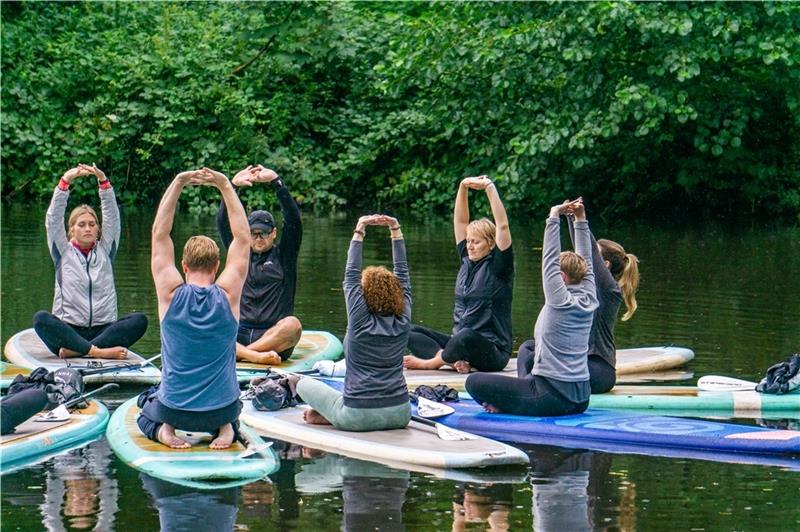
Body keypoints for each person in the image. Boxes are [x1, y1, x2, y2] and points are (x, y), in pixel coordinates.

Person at [137, 168, 249, 450]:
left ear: (183, 266)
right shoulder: (228, 294)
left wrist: (178, 182)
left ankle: (164, 432)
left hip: (175, 411)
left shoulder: (170, 294)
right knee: (228, 407)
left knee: (144, 409)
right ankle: (226, 429)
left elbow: (160, 233)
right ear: (216, 267)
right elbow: (243, 238)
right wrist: (224, 184)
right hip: (222, 409)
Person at [464, 198, 598, 416]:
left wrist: (553, 217)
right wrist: (580, 219)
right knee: (527, 348)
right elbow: (587, 260)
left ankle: (507, 405)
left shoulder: (559, 300)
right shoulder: (589, 296)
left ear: (561, 278)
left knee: (473, 382)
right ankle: (519, 396)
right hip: (581, 397)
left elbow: (549, 259)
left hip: (551, 398)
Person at [297, 214, 411, 431]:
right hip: (401, 413)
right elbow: (403, 274)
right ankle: (327, 414)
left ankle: (329, 415)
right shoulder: (403, 320)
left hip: (357, 416)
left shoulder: (360, 321)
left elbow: (350, 274)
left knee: (302, 383)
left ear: (364, 295)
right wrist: (395, 229)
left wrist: (359, 229)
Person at [32, 164, 148, 359]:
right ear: (72, 230)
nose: (87, 228)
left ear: (98, 229)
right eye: (82, 224)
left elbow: (113, 218)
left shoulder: (105, 250)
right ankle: (96, 351)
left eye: (92, 224)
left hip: (104, 331)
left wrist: (104, 183)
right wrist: (64, 182)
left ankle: (81, 351)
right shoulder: (62, 252)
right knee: (41, 319)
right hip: (68, 333)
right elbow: (53, 219)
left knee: (140, 320)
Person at [518, 214, 639, 394]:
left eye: (595, 258)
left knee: (538, 359)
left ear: (604, 265)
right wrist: (571, 216)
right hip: (578, 364)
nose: (588, 261)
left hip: (599, 371)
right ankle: (528, 388)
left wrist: (577, 218)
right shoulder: (586, 288)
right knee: (528, 348)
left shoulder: (609, 291)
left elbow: (587, 253)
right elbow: (584, 253)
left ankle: (530, 389)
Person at [403, 175, 513, 374]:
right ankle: (452, 360)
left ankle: (434, 362)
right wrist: (463, 186)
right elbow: (460, 220)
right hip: (459, 344)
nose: (469, 246)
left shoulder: (500, 267)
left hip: (492, 351)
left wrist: (489, 187)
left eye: (475, 242)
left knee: (465, 336)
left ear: (490, 243)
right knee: (405, 329)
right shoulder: (466, 260)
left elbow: (503, 225)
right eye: (468, 241)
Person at [216, 165, 303, 365]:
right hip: (240, 332)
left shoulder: (285, 255)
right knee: (206, 320)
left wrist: (276, 182)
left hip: (272, 338)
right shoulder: (239, 254)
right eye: (253, 233)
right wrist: (232, 187)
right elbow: (223, 223)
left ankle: (241, 355)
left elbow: (294, 221)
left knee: (293, 325)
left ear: (273, 233)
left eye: (263, 233)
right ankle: (253, 356)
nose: (258, 238)